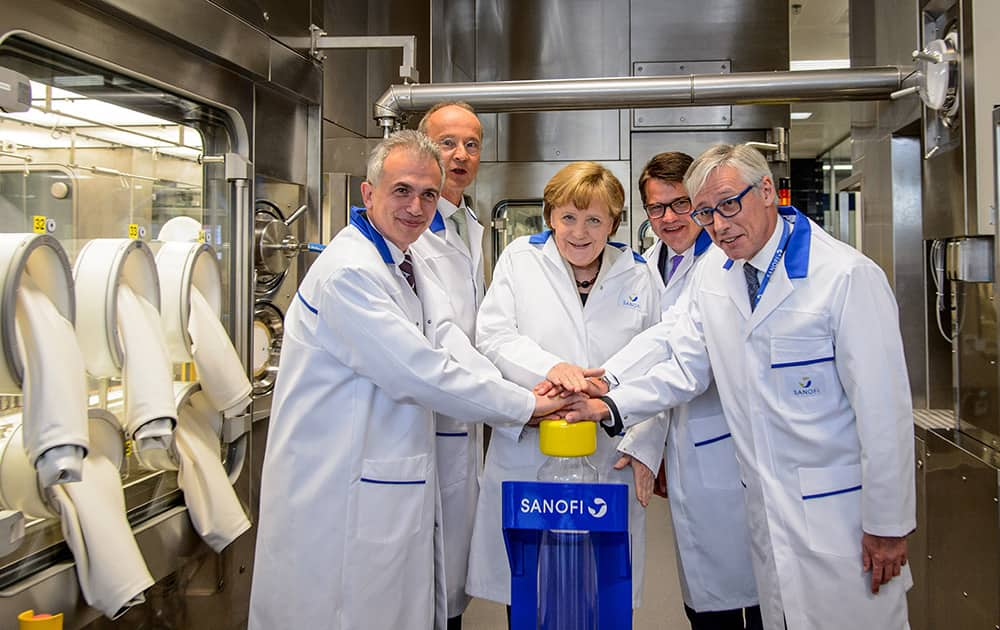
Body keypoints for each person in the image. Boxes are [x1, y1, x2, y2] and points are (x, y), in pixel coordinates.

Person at [560, 144, 915, 630]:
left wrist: (888, 525)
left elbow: (885, 414)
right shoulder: (716, 272)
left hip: (841, 517)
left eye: (729, 204)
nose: (719, 225)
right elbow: (681, 357)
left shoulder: (846, 277)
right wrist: (609, 396)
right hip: (765, 514)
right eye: (705, 212)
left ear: (767, 190)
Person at [248, 130, 577, 630]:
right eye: (402, 190)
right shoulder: (349, 273)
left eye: (428, 194)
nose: (416, 206)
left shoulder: (402, 261)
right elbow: (419, 371)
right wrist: (524, 405)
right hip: (339, 490)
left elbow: (446, 338)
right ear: (368, 193)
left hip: (384, 477)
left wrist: (529, 386)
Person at [465, 161, 666, 620]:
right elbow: (493, 336)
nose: (580, 232)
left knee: (604, 593)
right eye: (569, 217)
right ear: (550, 215)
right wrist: (555, 370)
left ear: (614, 223)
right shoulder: (520, 259)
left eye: (595, 219)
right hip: (533, 446)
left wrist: (646, 448)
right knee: (533, 592)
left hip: (609, 453)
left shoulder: (637, 273)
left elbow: (659, 364)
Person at [618, 151, 761, 630]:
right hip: (677, 440)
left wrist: (608, 396)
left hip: (726, 444)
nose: (669, 219)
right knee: (703, 591)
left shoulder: (724, 262)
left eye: (680, 205)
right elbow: (653, 352)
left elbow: (685, 364)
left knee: (752, 589)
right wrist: (650, 445)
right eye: (655, 209)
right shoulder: (644, 267)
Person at [411, 102, 486, 630]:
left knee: (450, 573)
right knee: (423, 576)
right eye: (447, 142)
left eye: (472, 144)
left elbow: (476, 326)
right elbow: (443, 334)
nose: (460, 155)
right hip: (426, 414)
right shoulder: (415, 228)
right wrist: (514, 396)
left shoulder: (468, 224)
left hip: (465, 411)